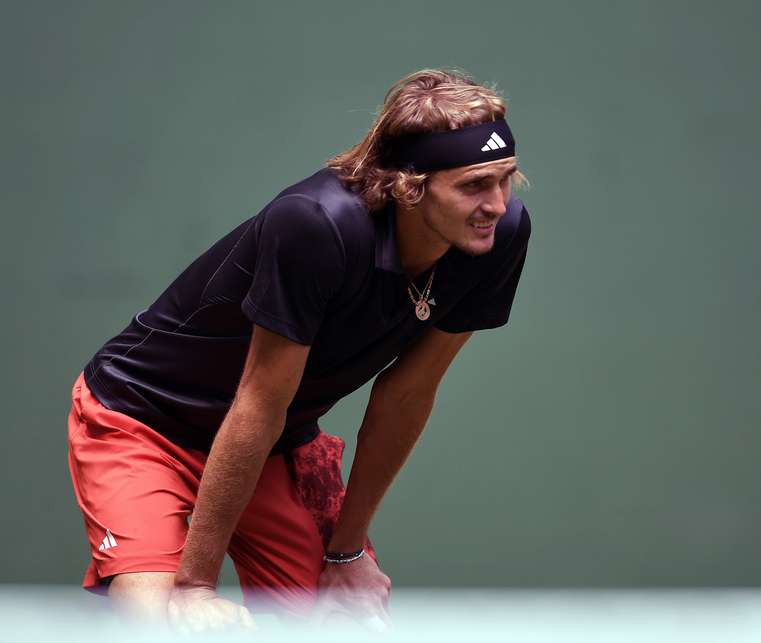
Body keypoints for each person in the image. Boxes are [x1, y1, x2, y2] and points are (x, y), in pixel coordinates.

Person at [66, 68, 531, 631]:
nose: (498, 205)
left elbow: (407, 394)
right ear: (411, 186)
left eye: (506, 179)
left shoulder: (496, 239)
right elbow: (259, 399)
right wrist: (194, 586)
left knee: (344, 621)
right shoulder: (316, 224)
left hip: (272, 447)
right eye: (474, 185)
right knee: (161, 626)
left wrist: (348, 552)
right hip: (144, 424)